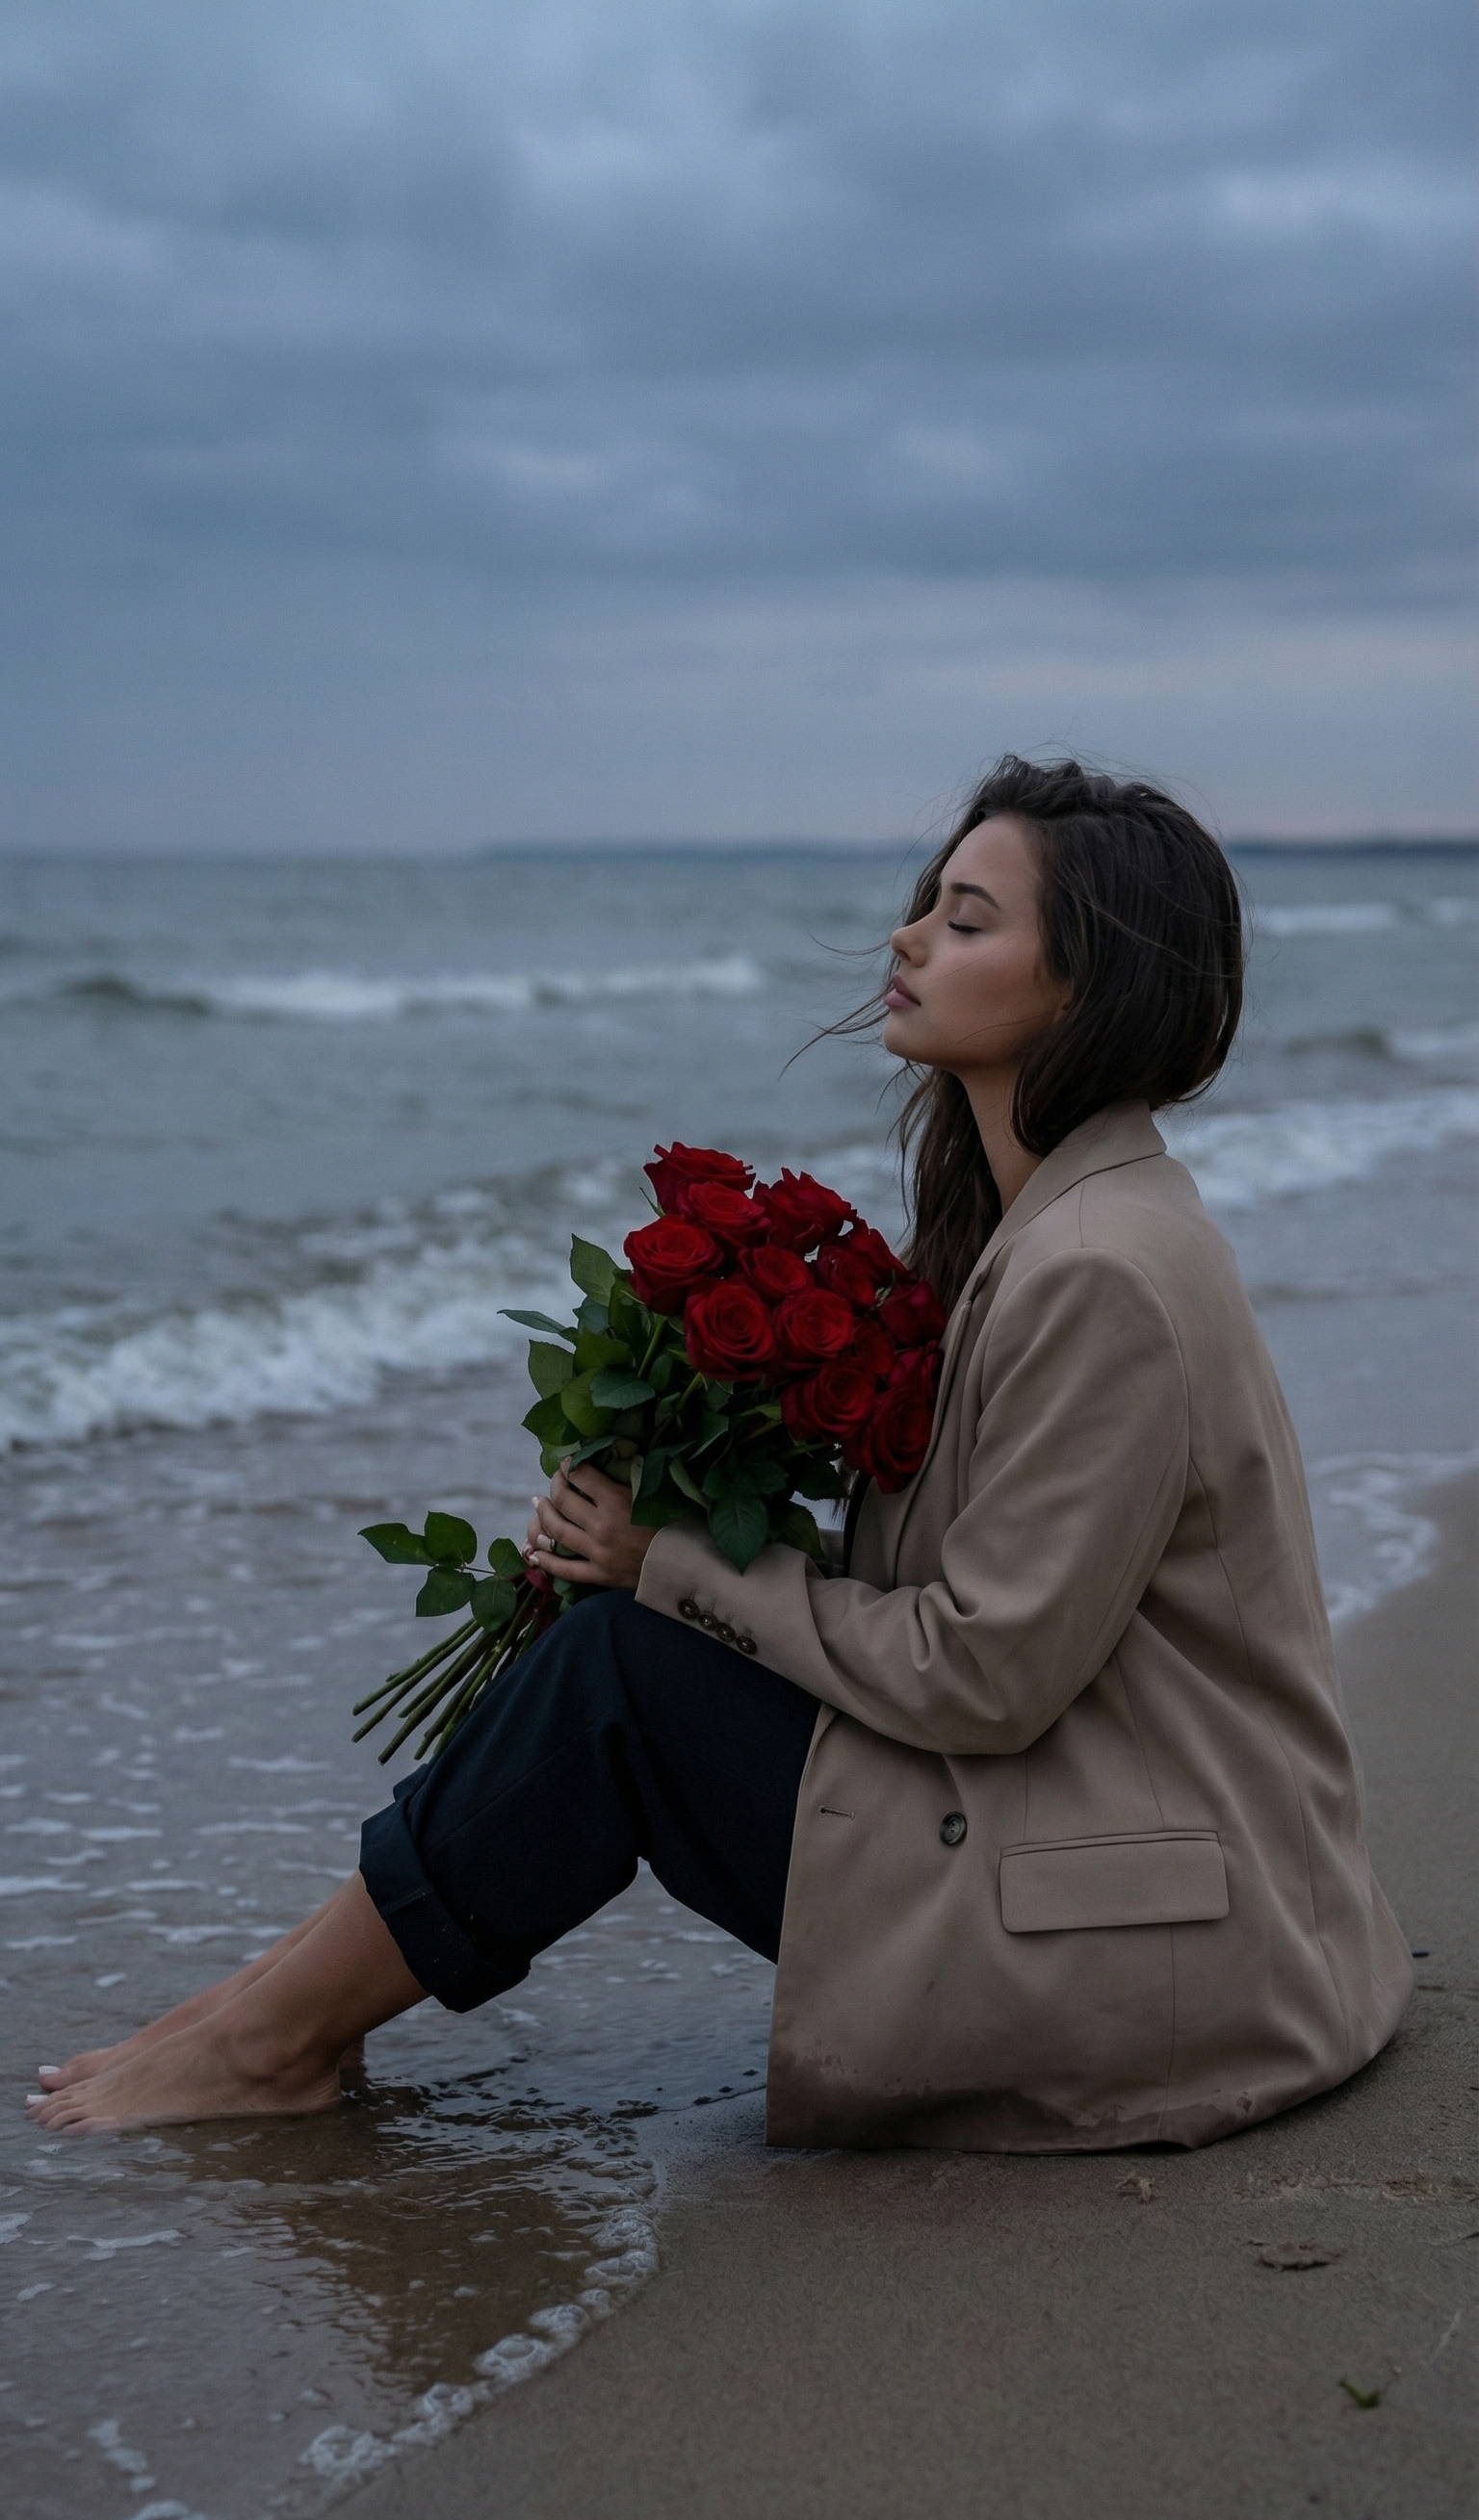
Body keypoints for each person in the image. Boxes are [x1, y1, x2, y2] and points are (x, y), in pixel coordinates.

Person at [29, 757, 1412, 2147]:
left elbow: (986, 1674)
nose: (906, 937)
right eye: (928, 904)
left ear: (1087, 987)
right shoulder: (1053, 1226)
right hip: (1113, 1859)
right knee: (623, 1647)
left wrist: (673, 1565)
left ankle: (271, 2042)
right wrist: (684, 1537)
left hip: (1156, 1953)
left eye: (966, 920)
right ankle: (257, 2015)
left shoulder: (1098, 1269)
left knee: (621, 1672)